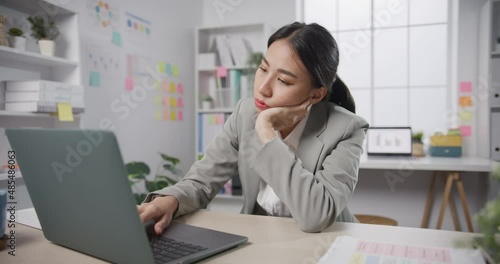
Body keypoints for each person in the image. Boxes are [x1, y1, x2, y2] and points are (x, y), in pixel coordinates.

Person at [138, 22, 369, 233]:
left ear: (316, 94)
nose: (263, 88)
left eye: (284, 81)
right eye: (263, 68)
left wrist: (267, 133)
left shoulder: (347, 128)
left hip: (327, 245)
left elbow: (316, 216)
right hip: (262, 239)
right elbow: (201, 181)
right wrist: (170, 200)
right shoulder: (244, 113)